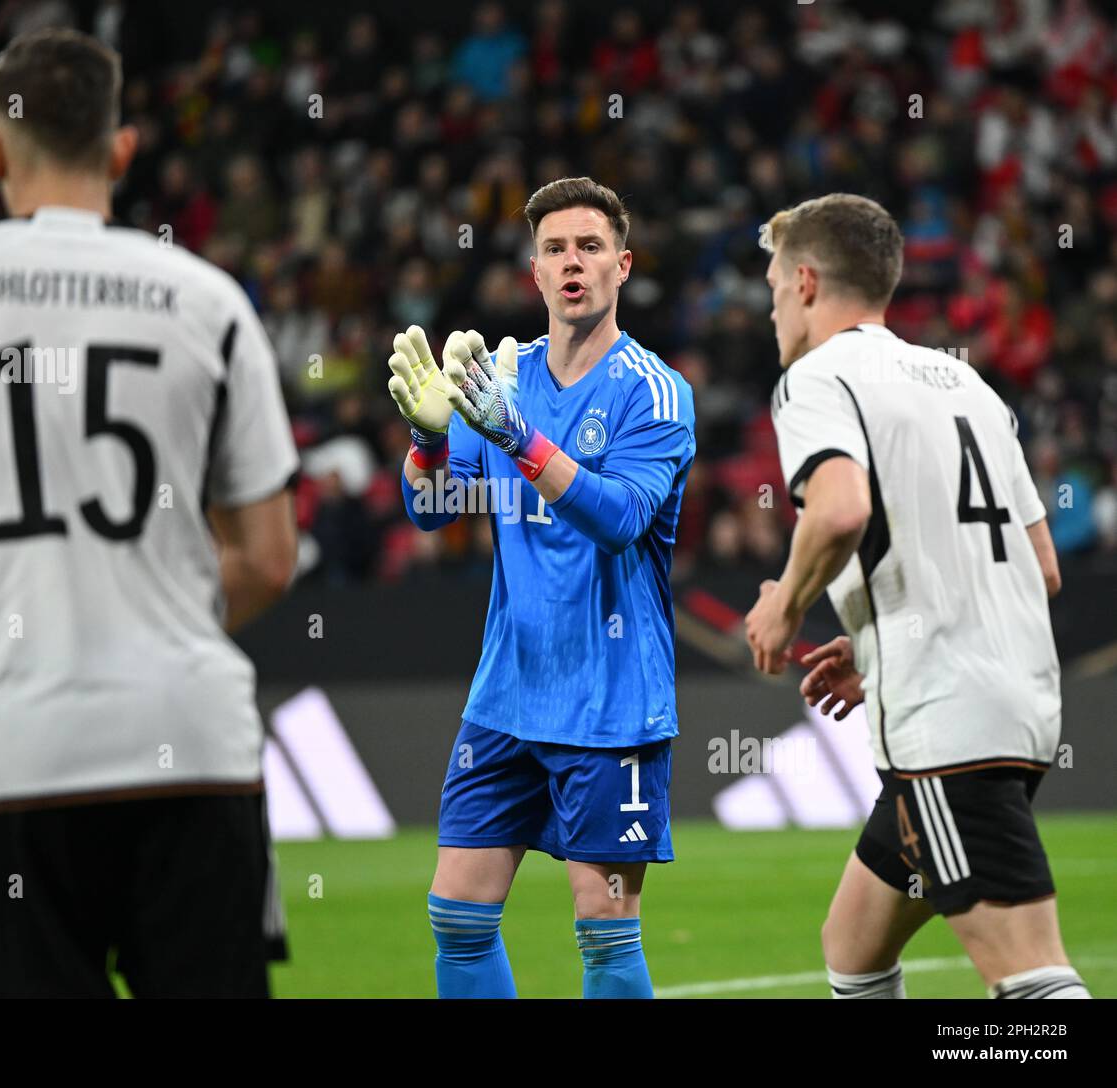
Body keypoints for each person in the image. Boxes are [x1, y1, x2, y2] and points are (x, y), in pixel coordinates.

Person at [0, 28, 298, 997]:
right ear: (122, 148)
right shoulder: (209, 299)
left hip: (4, 753)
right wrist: (149, 613)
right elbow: (266, 557)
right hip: (188, 743)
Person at [744, 193, 1088, 999]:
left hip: (947, 728)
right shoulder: (966, 385)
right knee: (854, 946)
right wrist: (878, 649)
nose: (768, 312)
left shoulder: (816, 380)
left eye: (768, 289)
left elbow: (839, 509)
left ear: (803, 283)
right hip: (1018, 706)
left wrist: (784, 605)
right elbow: (1041, 569)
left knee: (1034, 983)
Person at [387, 177, 695, 998]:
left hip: (611, 703)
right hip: (508, 697)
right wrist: (425, 440)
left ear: (623, 266)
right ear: (534, 271)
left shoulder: (653, 390)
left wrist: (519, 437)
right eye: (555, 248)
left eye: (590, 247)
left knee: (605, 933)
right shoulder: (501, 376)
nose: (573, 264)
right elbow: (430, 510)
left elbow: (623, 516)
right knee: (456, 915)